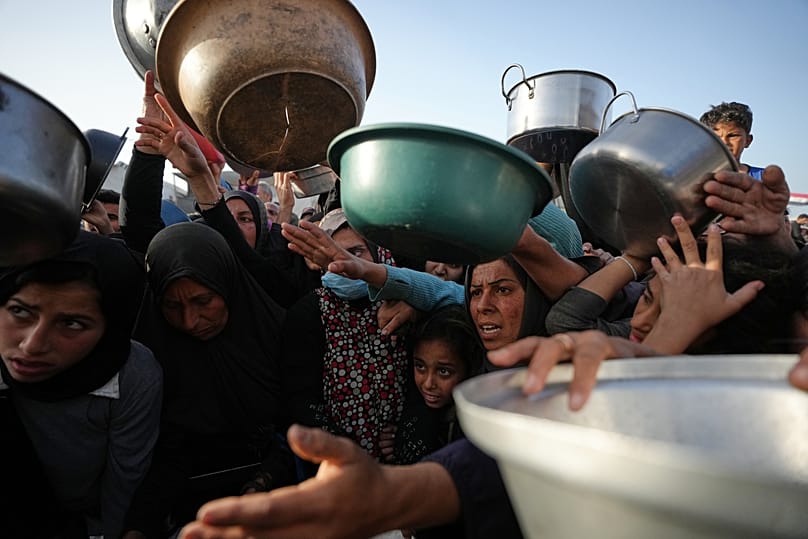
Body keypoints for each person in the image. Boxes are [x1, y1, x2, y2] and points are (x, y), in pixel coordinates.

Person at [122, 223, 294, 538]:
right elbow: (163, 454)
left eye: (203, 301)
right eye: (172, 306)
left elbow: (303, 426)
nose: (190, 321)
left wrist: (262, 483)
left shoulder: (279, 336)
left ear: (227, 283)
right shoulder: (149, 357)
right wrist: (138, 527)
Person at [0, 230, 162, 538]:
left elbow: (124, 487)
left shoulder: (133, 376)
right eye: (20, 311)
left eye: (72, 323)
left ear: (109, 329)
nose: (32, 345)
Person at [699, 101, 764, 180]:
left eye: (732, 136)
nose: (724, 142)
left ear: (748, 141)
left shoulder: (764, 179)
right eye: (716, 137)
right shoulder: (691, 178)